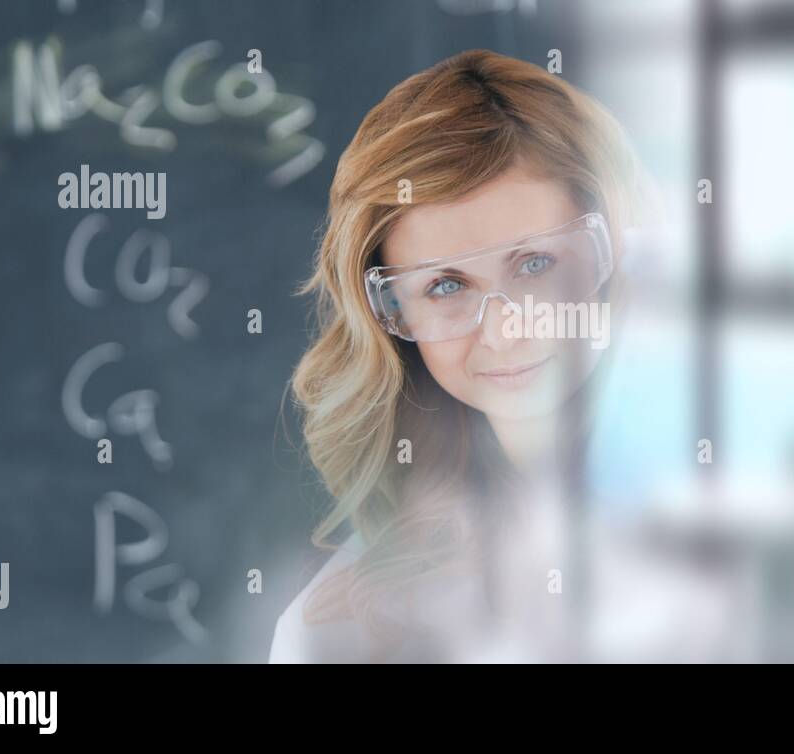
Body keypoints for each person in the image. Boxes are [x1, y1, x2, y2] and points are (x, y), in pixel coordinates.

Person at [270, 48, 728, 663]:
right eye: (447, 286)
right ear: (389, 318)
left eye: (536, 264)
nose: (508, 330)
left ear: (620, 252)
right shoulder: (341, 631)